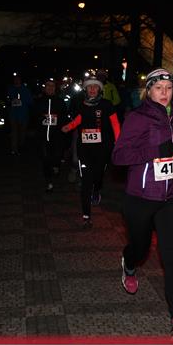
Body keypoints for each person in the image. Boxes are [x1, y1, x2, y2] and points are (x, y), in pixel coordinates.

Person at [112, 68, 173, 336]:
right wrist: (153, 151)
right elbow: (119, 156)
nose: (164, 93)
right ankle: (129, 263)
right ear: (148, 91)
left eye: (168, 88)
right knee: (141, 249)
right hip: (141, 198)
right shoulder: (137, 118)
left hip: (172, 198)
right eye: (158, 88)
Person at [61, 74, 120, 229]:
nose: (92, 89)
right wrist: (69, 126)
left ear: (99, 90)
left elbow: (115, 124)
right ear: (85, 90)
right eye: (89, 87)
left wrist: (119, 142)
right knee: (86, 181)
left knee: (98, 176)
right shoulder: (81, 105)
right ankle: (86, 216)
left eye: (95, 87)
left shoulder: (107, 105)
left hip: (103, 149)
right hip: (85, 150)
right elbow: (78, 119)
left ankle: (97, 190)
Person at [33, 78, 67, 192]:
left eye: (52, 86)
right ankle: (49, 182)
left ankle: (56, 165)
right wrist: (40, 119)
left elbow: (64, 118)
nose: (50, 88)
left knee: (56, 156)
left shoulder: (60, 102)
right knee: (45, 158)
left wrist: (63, 128)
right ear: (44, 88)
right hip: (42, 136)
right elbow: (33, 117)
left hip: (57, 136)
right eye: (48, 85)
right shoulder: (38, 101)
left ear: (55, 88)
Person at [6, 72, 33, 155]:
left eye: (18, 79)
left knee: (22, 133)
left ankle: (21, 147)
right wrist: (10, 101)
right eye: (15, 79)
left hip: (23, 115)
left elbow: (30, 102)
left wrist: (22, 101)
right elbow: (7, 100)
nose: (16, 81)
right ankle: (14, 149)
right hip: (13, 115)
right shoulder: (10, 89)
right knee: (14, 133)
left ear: (20, 80)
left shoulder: (25, 90)